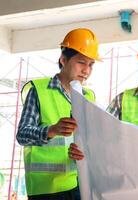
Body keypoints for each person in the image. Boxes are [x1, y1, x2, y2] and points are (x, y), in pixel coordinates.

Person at [16, 28, 101, 200]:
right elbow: (22, 135)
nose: (86, 70)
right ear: (63, 60)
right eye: (81, 62)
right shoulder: (39, 91)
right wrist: (51, 130)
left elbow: (93, 140)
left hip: (81, 184)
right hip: (46, 190)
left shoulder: (89, 96)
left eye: (91, 64)